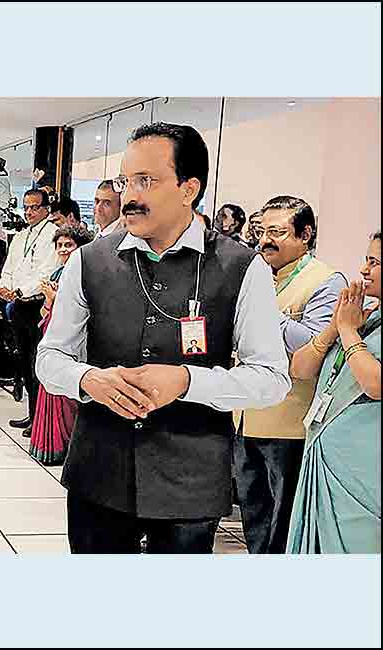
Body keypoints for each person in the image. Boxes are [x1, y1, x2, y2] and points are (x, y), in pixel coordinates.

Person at [36, 122, 290, 554]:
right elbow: (50, 357)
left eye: (146, 181)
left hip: (190, 481)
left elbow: (271, 377)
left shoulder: (242, 268)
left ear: (189, 188)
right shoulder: (89, 261)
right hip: (99, 472)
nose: (129, 195)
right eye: (126, 180)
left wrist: (188, 382)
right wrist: (87, 380)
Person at [235, 195, 347, 554]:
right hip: (244, 415)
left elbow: (314, 341)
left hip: (288, 422)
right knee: (254, 514)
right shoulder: (257, 274)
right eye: (263, 231)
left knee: (283, 522)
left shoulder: (326, 280)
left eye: (278, 232)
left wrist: (268, 313)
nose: (266, 240)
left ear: (306, 234)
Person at [286, 233, 381, 554]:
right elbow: (300, 368)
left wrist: (349, 331)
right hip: (324, 456)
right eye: (366, 259)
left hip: (363, 471)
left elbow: (377, 384)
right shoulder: (359, 315)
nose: (364, 270)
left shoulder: (354, 325)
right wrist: (335, 326)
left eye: (375, 262)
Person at [0, 188, 60, 436]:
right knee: (23, 361)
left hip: (37, 305)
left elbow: (47, 270)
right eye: (27, 207)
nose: (30, 212)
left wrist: (21, 290)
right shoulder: (21, 236)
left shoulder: (53, 234)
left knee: (36, 363)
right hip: (19, 305)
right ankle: (31, 414)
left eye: (35, 207)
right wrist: (7, 288)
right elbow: (10, 266)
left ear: (46, 209)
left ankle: (40, 419)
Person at [28, 223, 94, 463]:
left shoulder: (86, 273)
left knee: (68, 398)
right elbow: (45, 314)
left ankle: (69, 448)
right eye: (60, 246)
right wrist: (49, 300)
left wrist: (56, 299)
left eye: (69, 245)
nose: (64, 250)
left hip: (75, 346)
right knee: (50, 390)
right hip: (51, 341)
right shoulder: (57, 274)